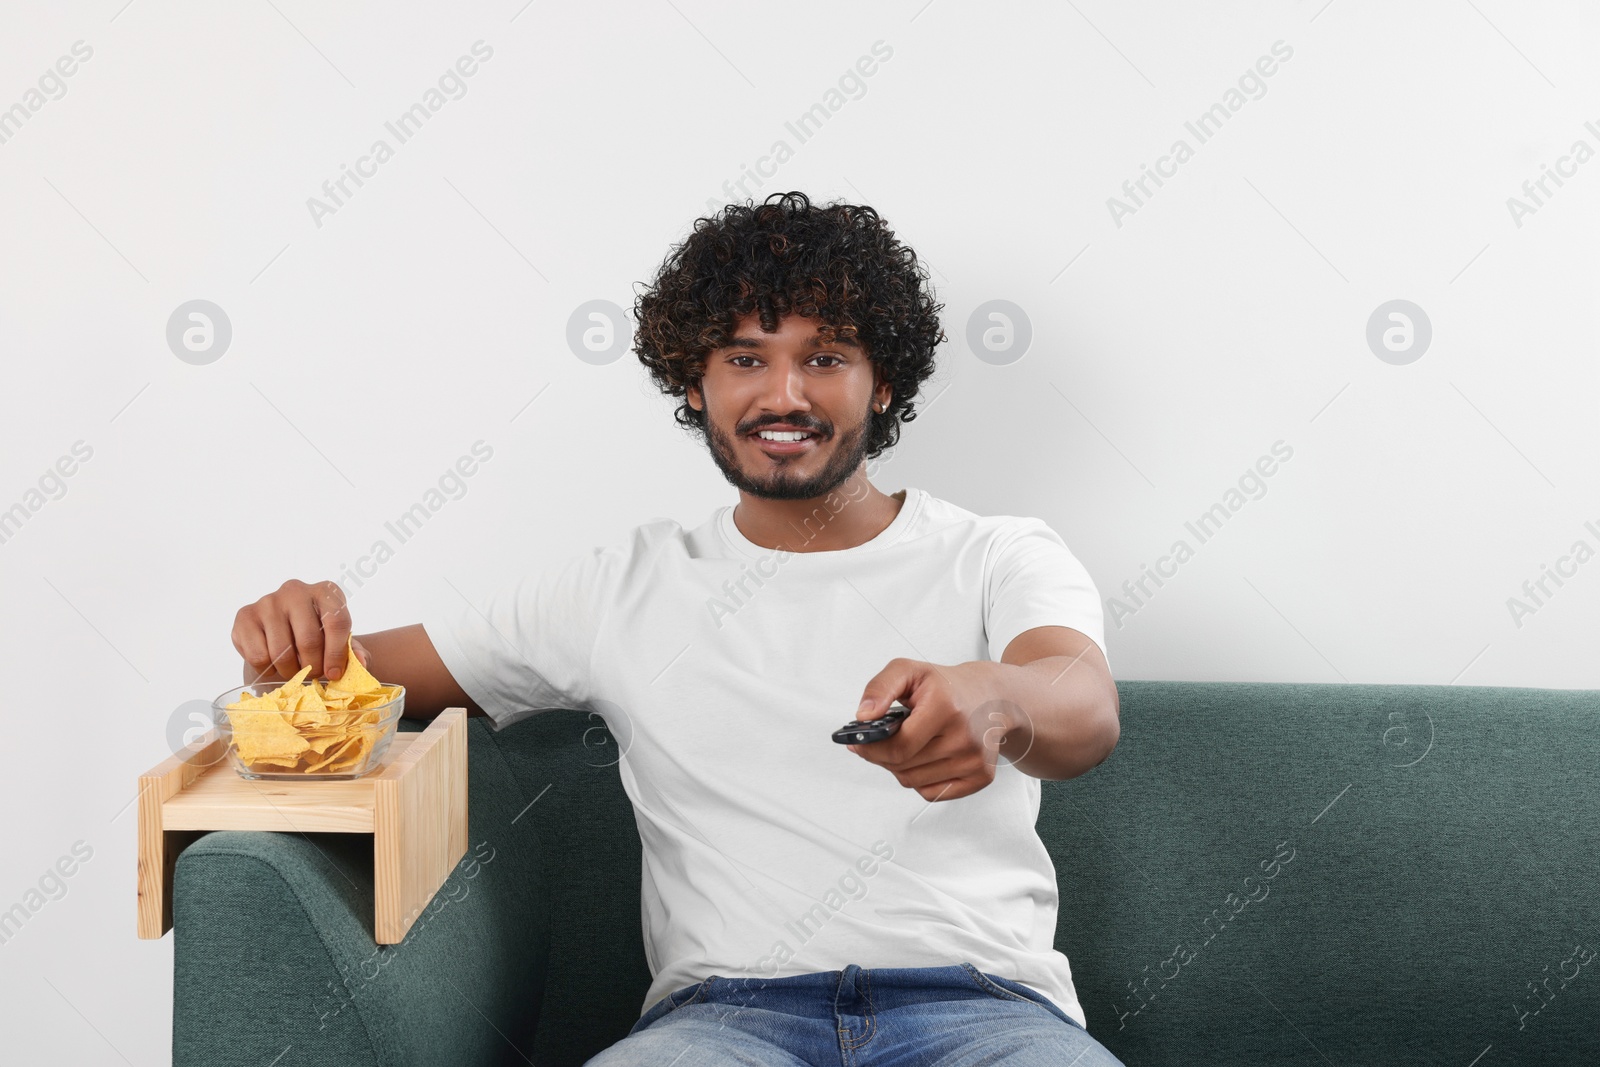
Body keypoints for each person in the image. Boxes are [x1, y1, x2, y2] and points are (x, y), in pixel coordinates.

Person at [232, 191, 1126, 1066]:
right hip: (722, 1025)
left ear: (881, 381)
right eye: (744, 359)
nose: (784, 395)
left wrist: (996, 696)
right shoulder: (619, 589)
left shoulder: (999, 554)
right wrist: (291, 637)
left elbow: (1082, 705)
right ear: (693, 386)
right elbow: (345, 681)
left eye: (826, 358)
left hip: (984, 1012)